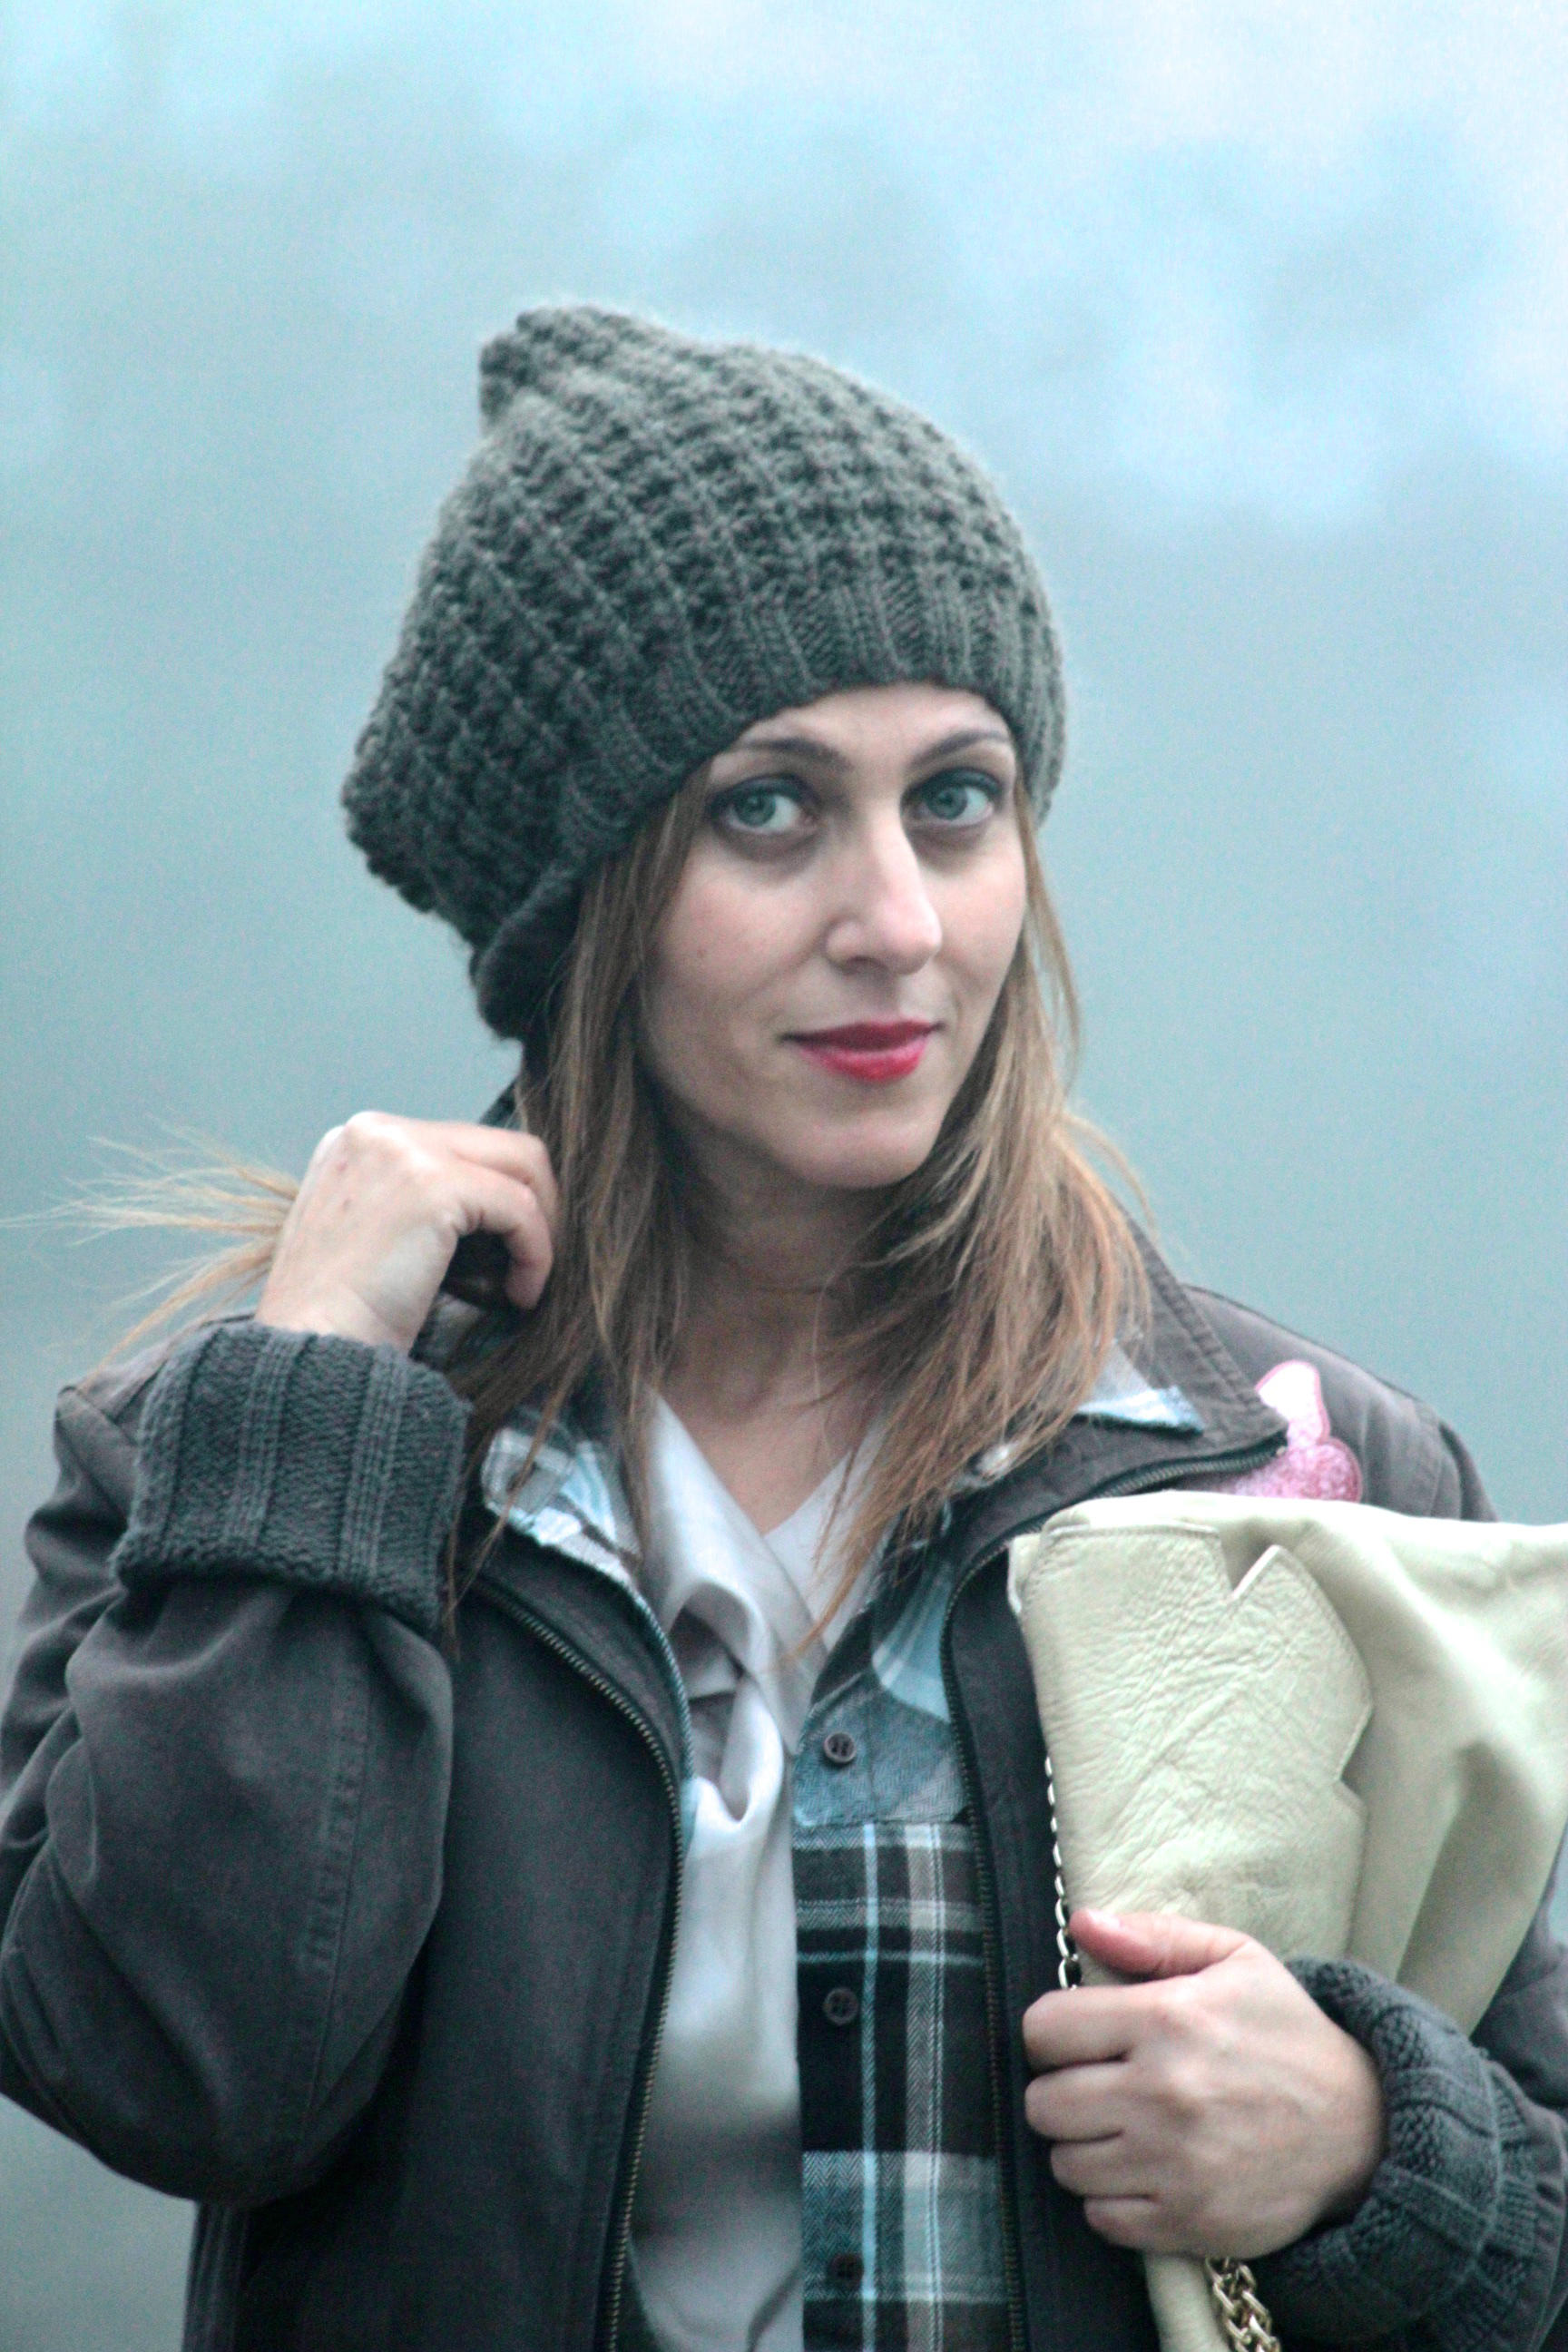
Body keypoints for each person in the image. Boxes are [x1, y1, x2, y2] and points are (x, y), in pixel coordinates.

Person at [1, 306, 1563, 2352]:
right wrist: (313, 1408)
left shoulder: (1299, 1479)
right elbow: (173, 2075)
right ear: (580, 906)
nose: (896, 921)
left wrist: (1373, 2149)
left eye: (957, 800)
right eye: (769, 808)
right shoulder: (238, 1462)